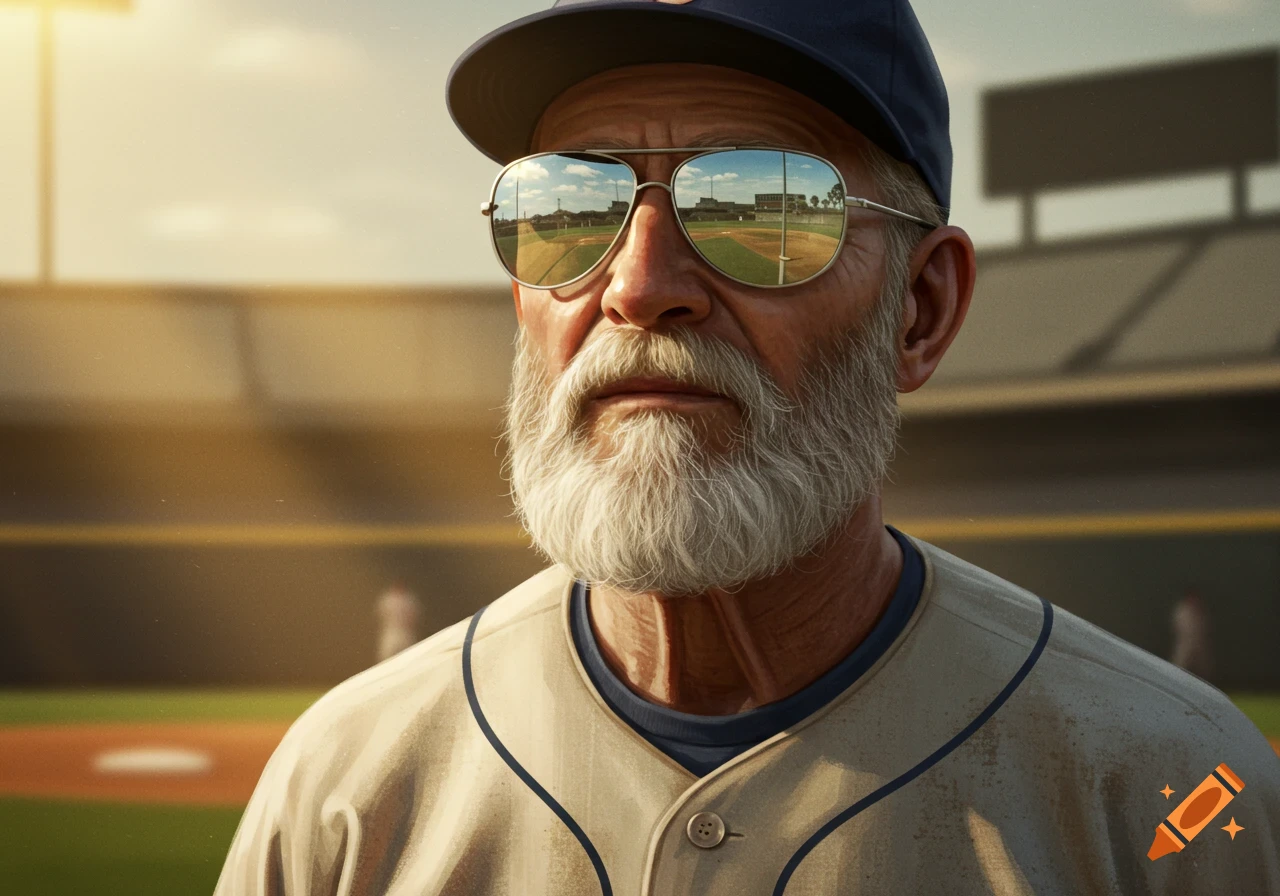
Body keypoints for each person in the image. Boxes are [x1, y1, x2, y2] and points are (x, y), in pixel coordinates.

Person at [216, 1, 1280, 893]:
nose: (637, 285)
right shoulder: (343, 790)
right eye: (568, 205)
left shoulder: (1170, 798)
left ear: (919, 309)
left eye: (759, 207)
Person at [374, 581, 422, 663]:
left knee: (410, 656)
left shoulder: (410, 600)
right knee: (386, 657)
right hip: (390, 632)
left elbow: (414, 615)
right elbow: (380, 615)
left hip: (405, 632)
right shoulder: (387, 599)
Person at [1171, 588, 1214, 682]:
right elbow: (1180, 627)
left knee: (1203, 669)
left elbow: (1204, 627)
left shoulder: (1200, 610)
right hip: (1185, 643)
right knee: (1180, 666)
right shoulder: (1182, 610)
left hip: (1199, 643)